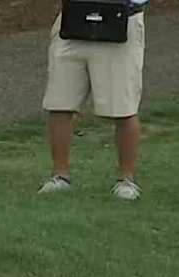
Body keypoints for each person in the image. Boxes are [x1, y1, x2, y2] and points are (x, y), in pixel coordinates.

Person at [39, 1, 147, 200]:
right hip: (73, 17)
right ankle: (60, 176)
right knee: (60, 102)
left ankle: (126, 180)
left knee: (123, 107)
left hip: (120, 16)